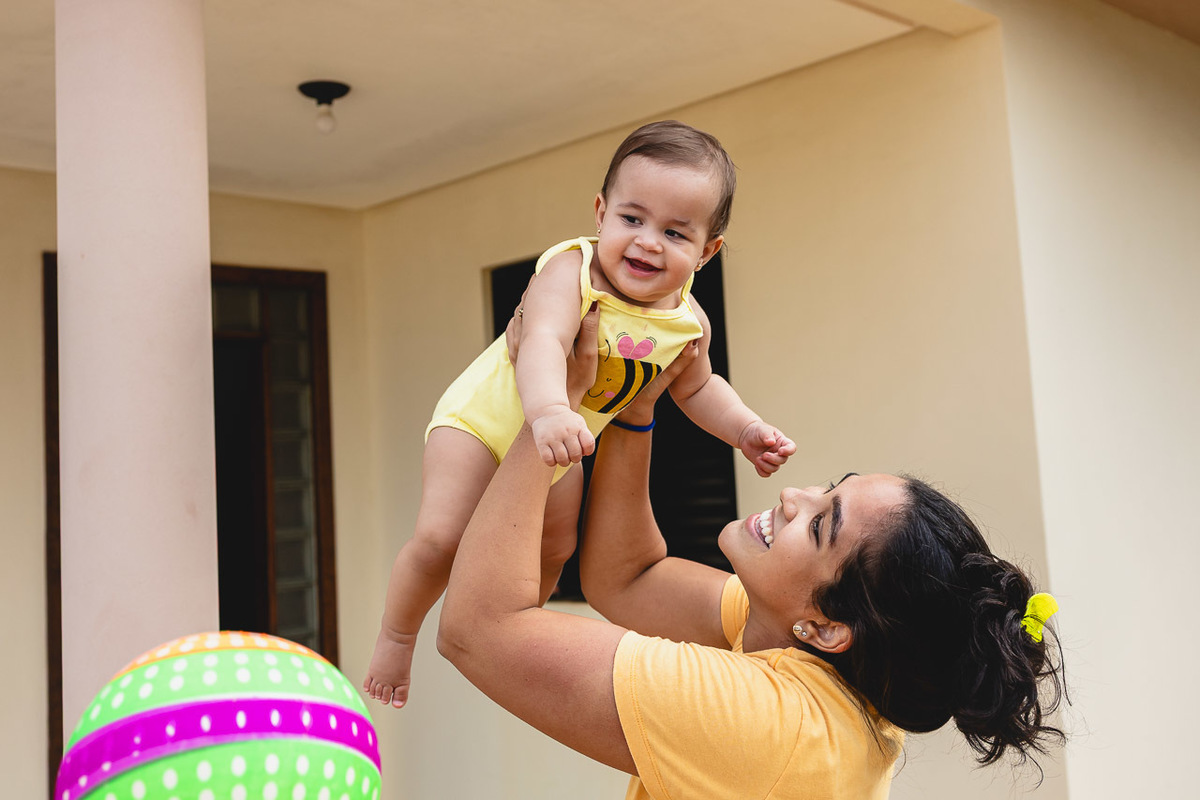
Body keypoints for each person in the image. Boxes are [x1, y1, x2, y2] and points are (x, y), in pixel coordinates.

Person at [436, 305, 1065, 799]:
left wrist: (549, 406)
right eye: (826, 491)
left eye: (820, 526)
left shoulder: (770, 722)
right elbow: (627, 579)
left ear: (826, 627)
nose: (793, 495)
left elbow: (477, 629)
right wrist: (638, 406)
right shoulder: (820, 653)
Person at [364, 121, 796, 708]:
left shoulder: (687, 320)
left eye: (675, 232)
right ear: (600, 214)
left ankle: (513, 629)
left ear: (707, 250)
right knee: (441, 538)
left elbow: (697, 389)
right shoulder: (571, 271)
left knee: (554, 548)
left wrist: (745, 429)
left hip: (564, 439)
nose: (647, 242)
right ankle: (397, 635)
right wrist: (546, 410)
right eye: (632, 219)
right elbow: (540, 341)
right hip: (486, 423)